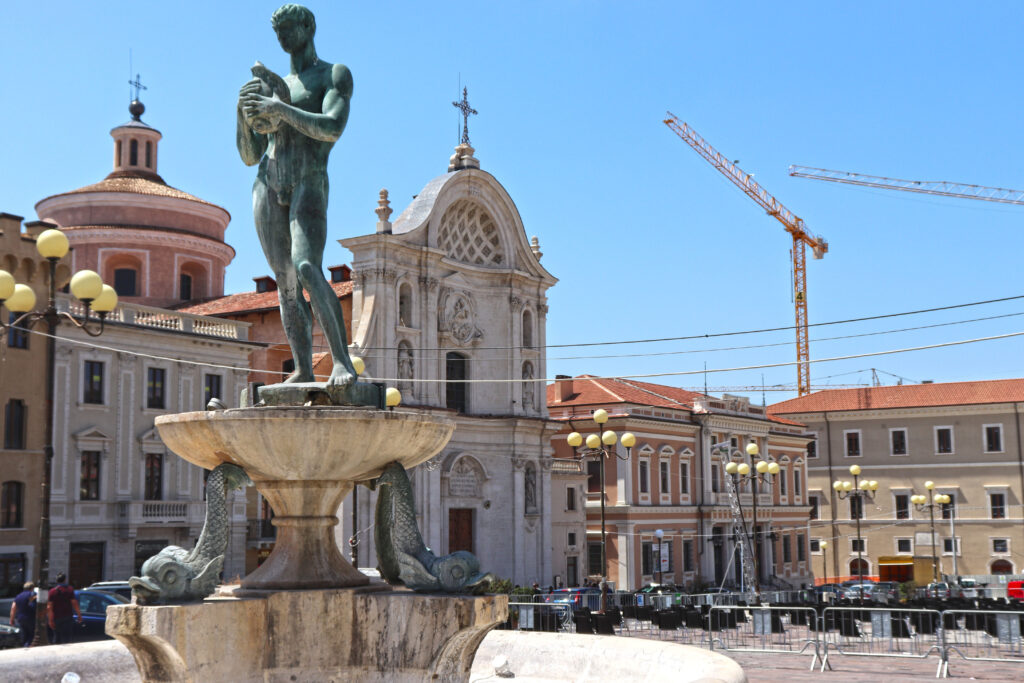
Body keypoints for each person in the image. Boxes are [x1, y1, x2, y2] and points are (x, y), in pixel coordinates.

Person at [236, 3, 358, 388]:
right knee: (284, 280)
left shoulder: (332, 74)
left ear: (308, 27)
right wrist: (242, 113)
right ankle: (304, 369)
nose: (284, 37)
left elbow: (332, 127)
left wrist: (282, 108)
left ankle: (342, 363)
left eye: (290, 28)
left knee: (306, 266)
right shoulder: (273, 85)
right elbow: (250, 154)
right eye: (278, 32)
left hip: (309, 178)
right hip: (267, 181)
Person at [47, 573, 82, 644]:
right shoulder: (69, 590)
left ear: (57, 581)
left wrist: (50, 620)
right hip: (67, 616)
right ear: (65, 580)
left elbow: (49, 607)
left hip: (56, 617)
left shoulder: (52, 591)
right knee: (67, 638)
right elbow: (74, 603)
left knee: (57, 637)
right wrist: (79, 614)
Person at [9, 582, 36, 647]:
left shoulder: (18, 596)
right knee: (31, 635)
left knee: (24, 634)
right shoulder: (33, 594)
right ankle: (27, 647)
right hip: (31, 617)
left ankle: (24, 647)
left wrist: (12, 619)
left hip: (21, 618)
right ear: (32, 588)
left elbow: (13, 608)